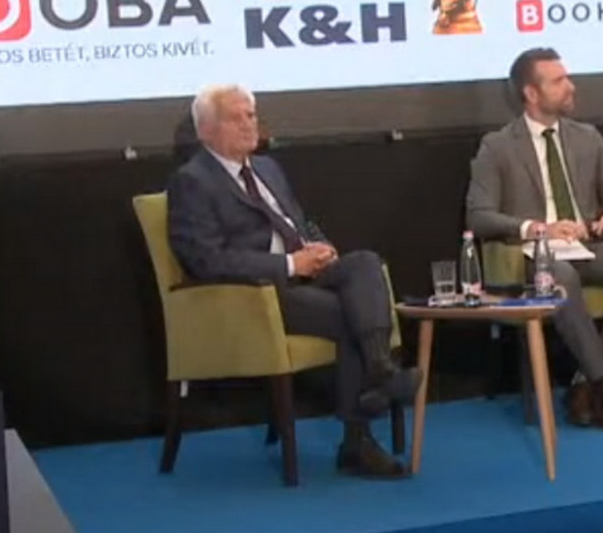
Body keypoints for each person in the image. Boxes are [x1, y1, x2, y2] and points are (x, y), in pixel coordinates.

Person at [166, 85, 418, 478]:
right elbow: (206, 260)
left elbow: (298, 222)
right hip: (258, 293)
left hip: (303, 274)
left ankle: (377, 369)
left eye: (251, 115)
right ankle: (359, 437)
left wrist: (320, 246)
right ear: (206, 131)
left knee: (365, 263)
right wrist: (287, 264)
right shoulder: (192, 181)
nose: (249, 124)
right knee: (348, 313)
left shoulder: (267, 168)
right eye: (236, 118)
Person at [466, 48, 603, 432]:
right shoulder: (498, 145)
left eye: (568, 78)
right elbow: (477, 215)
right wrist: (536, 228)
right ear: (531, 93)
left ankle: (585, 381)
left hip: (587, 245)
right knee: (562, 277)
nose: (571, 86)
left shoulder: (587, 138)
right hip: (534, 254)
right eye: (558, 81)